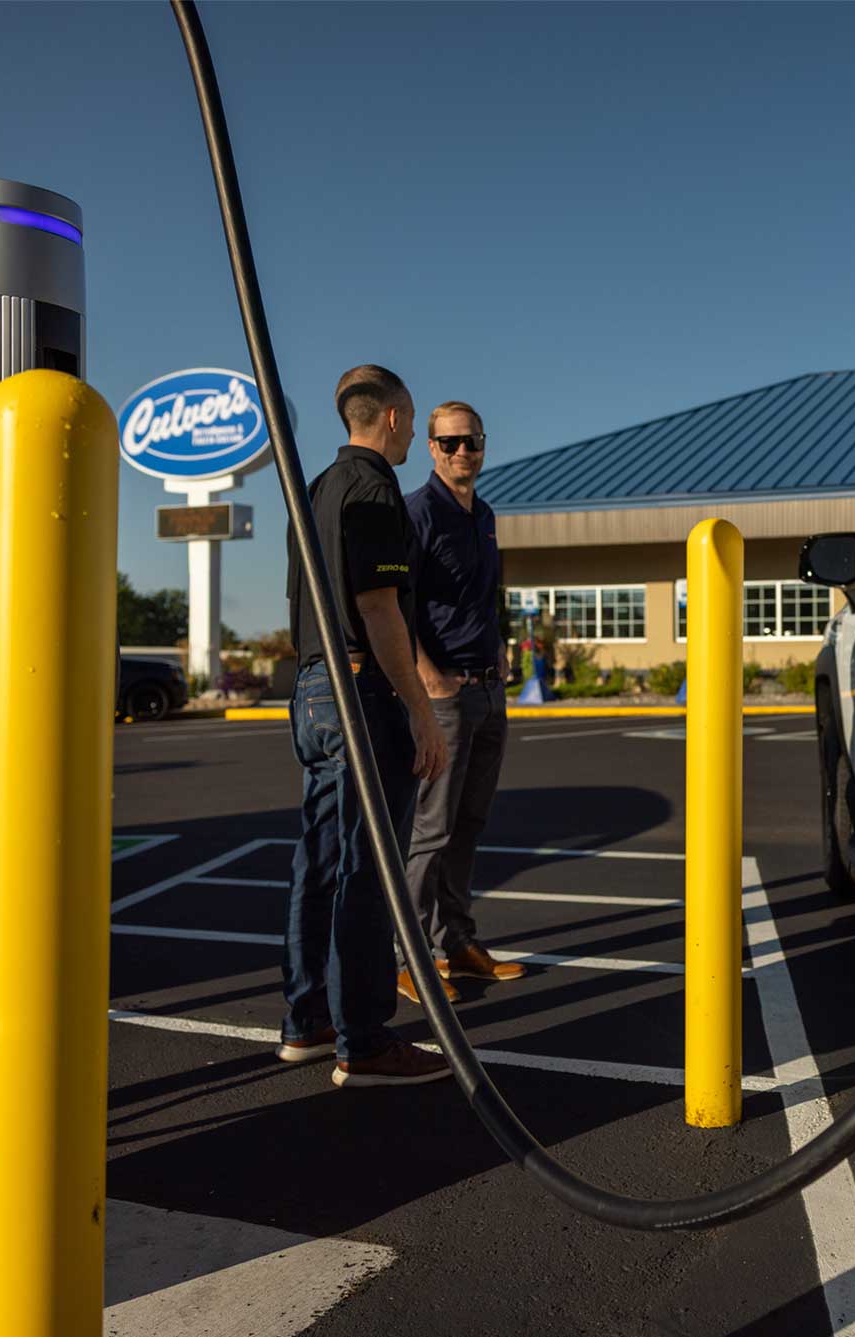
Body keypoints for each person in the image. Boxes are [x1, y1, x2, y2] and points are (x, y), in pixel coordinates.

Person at [277, 364, 454, 1088]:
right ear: (392, 416)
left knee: (320, 860)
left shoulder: (317, 487)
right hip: (360, 691)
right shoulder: (375, 488)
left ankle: (307, 1020)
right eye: (411, 420)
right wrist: (422, 710)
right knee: (368, 866)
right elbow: (379, 606)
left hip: (312, 687)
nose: (411, 434)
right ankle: (365, 1039)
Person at [398, 400, 525, 992]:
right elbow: (396, 606)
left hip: (488, 690)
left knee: (469, 823)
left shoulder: (485, 515)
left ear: (483, 444)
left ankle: (457, 940)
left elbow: (485, 595)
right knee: (432, 829)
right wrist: (429, 677)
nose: (461, 452)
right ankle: (411, 959)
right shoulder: (417, 513)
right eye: (448, 443)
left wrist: (499, 646)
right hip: (444, 694)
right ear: (431, 448)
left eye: (470, 441)